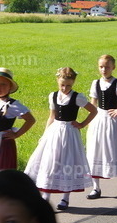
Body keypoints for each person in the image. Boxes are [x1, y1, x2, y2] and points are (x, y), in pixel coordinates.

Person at [24, 67, 97, 210]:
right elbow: (51, 116)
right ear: (58, 81)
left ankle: (65, 197)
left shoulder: (77, 97)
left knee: (67, 163)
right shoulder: (53, 96)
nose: (64, 88)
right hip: (54, 132)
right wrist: (45, 134)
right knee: (50, 162)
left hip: (70, 133)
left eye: (68, 85)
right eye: (62, 85)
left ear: (73, 83)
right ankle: (46, 195)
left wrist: (82, 124)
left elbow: (93, 111)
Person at [85, 54, 117, 198]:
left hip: (112, 121)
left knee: (116, 149)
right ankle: (96, 187)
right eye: (101, 67)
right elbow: (93, 104)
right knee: (95, 151)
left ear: (113, 67)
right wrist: (89, 121)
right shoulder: (95, 83)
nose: (104, 69)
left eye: (107, 67)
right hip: (98, 120)